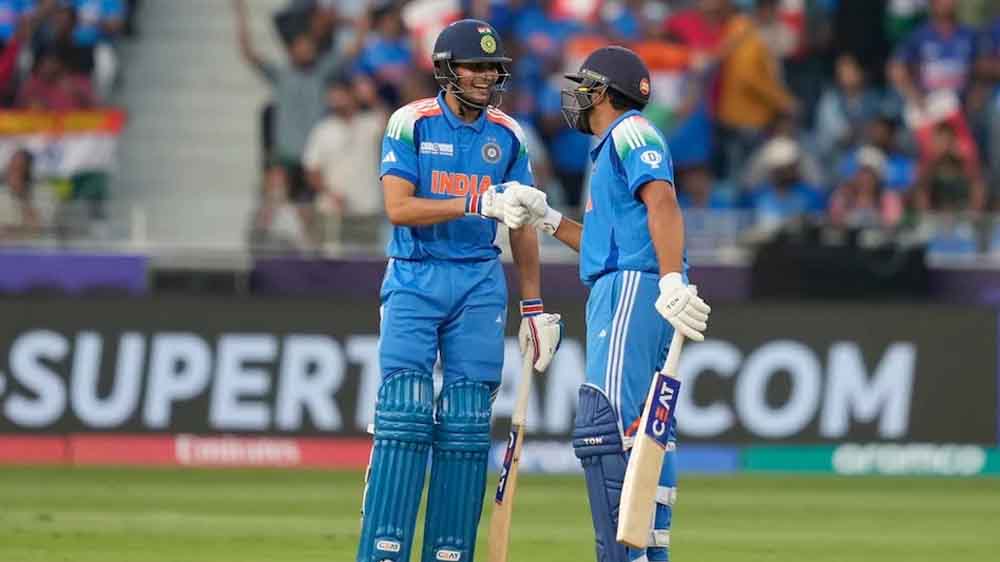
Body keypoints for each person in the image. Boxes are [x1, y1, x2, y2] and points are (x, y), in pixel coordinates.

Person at [356, 19, 563, 562]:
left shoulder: (509, 134)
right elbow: (398, 207)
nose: (486, 76)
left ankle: (449, 554)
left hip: (478, 282)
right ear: (447, 70)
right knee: (405, 410)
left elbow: (522, 222)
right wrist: (474, 202)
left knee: (469, 420)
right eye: (475, 66)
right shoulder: (411, 122)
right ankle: (383, 550)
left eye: (493, 67)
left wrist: (534, 306)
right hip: (416, 275)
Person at [505, 46, 711, 562]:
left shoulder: (631, 132)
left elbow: (663, 201)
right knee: (646, 435)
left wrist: (669, 279)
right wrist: (549, 219)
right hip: (630, 283)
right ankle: (647, 553)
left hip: (632, 290)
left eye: (583, 86)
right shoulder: (609, 149)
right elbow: (604, 242)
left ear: (602, 92)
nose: (575, 95)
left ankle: (621, 556)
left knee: (607, 426)